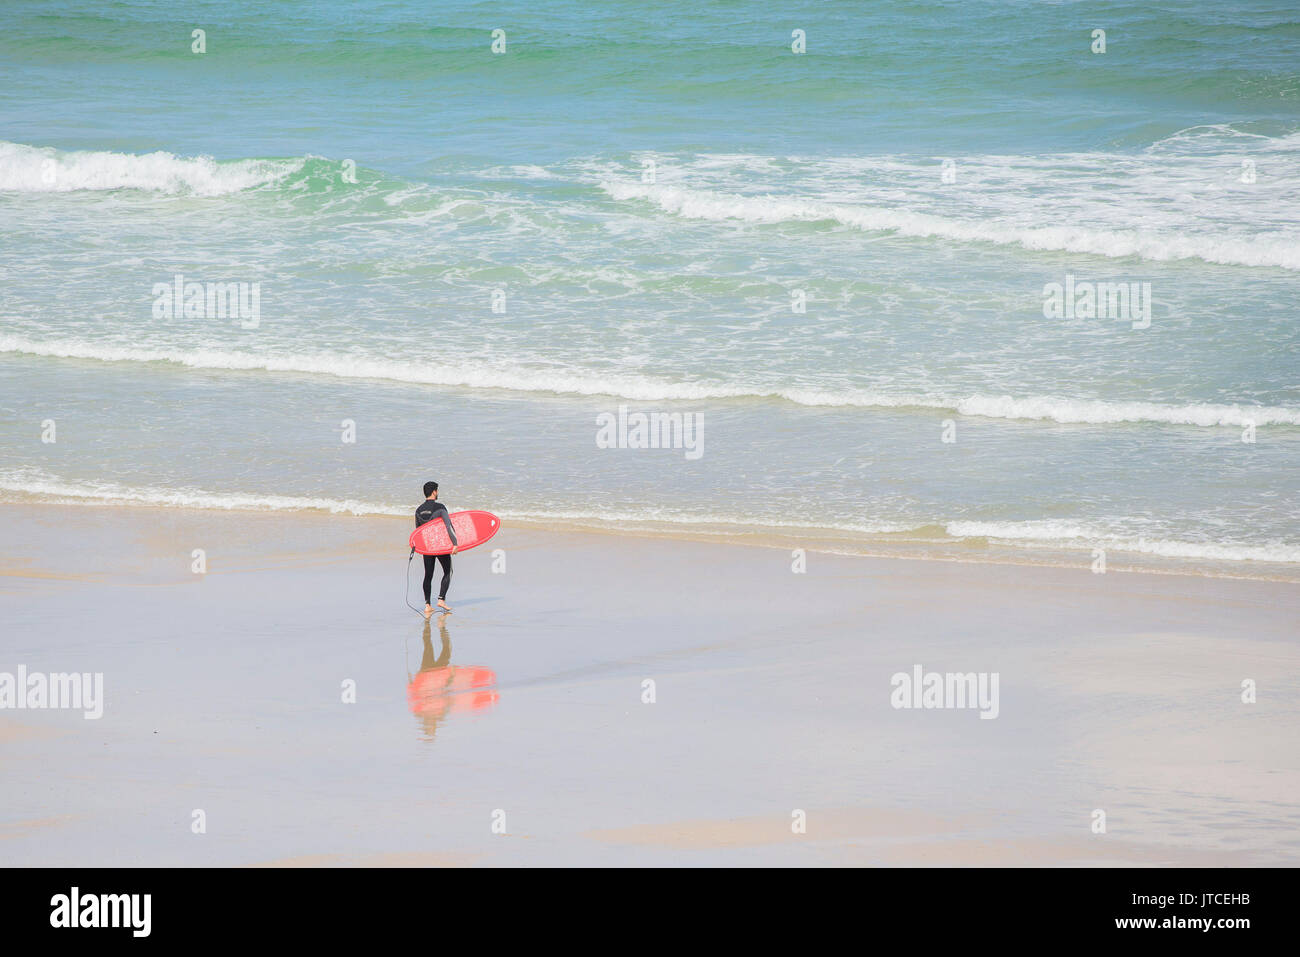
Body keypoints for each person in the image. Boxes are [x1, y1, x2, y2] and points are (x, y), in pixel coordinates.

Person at [415, 481, 458, 617]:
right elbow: (448, 526)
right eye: (437, 490)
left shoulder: (418, 510)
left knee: (428, 574)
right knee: (448, 571)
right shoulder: (440, 507)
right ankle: (441, 599)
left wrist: (420, 548)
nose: (437, 493)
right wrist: (455, 543)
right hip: (440, 545)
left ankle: (427, 605)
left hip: (427, 547)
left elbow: (417, 532)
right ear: (434, 491)